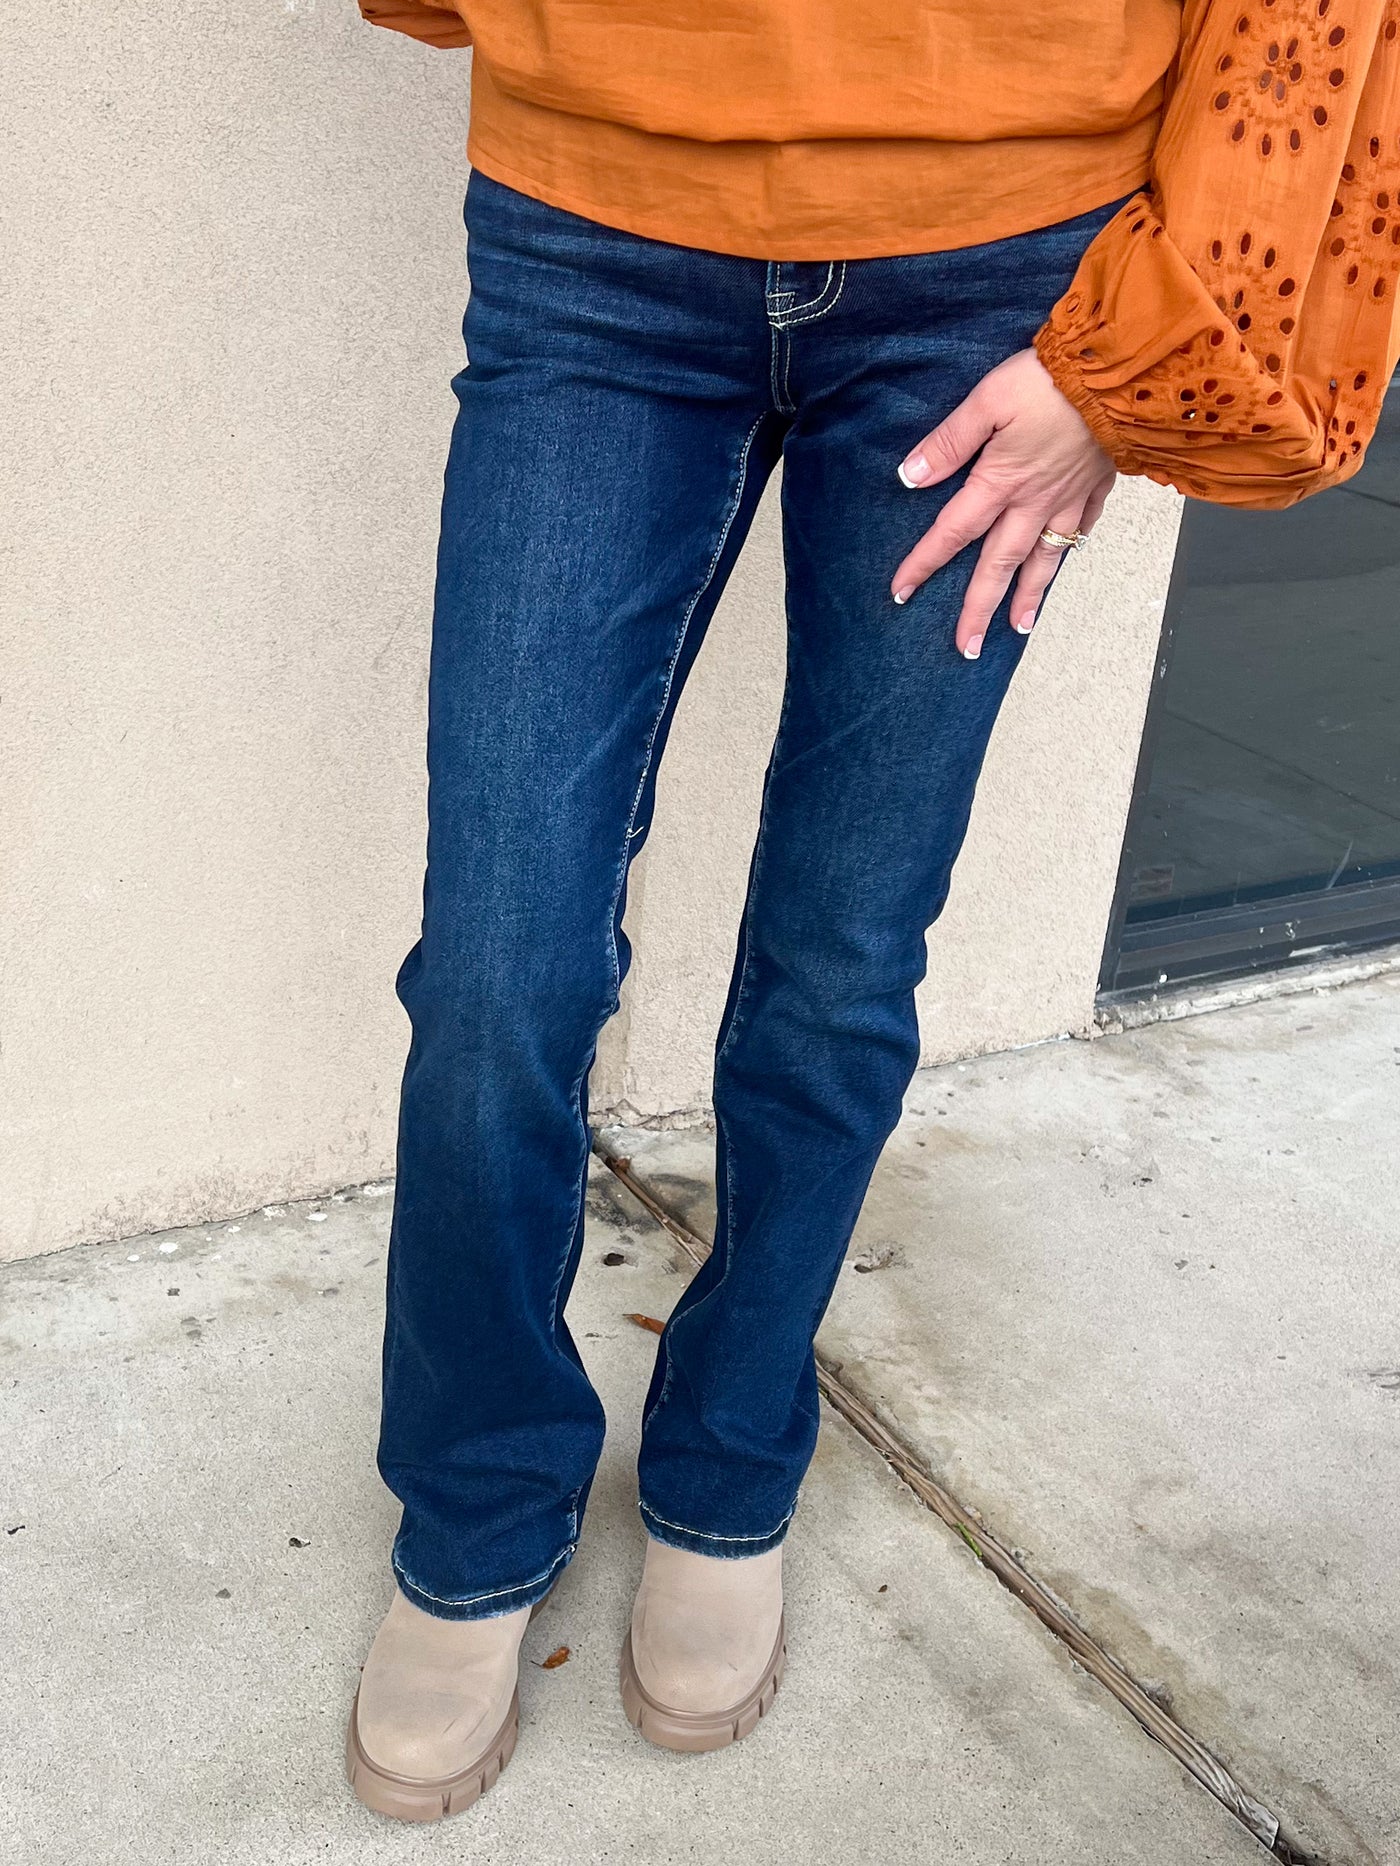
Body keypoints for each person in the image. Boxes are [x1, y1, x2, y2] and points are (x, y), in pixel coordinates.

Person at [343, 0, 1400, 1823]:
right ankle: (476, 1497)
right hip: (597, 215)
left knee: (840, 957)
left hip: (997, 258)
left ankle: (730, 1459)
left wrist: (1129, 354)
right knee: (502, 960)